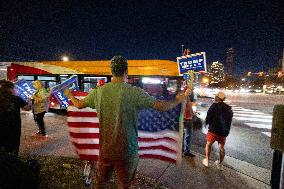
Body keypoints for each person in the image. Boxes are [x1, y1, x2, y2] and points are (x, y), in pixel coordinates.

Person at [65, 55, 191, 189]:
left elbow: (78, 105)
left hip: (106, 150)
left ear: (111, 72)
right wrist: (179, 98)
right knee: (125, 185)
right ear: (126, 72)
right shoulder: (134, 92)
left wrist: (69, 94)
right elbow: (161, 106)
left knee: (100, 183)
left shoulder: (98, 92)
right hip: (128, 152)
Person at [202, 91, 233, 168]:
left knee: (208, 145)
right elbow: (229, 120)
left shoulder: (214, 106)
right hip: (223, 132)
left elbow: (208, 117)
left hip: (213, 130)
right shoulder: (228, 108)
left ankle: (207, 161)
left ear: (217, 97)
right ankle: (220, 163)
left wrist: (205, 123)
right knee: (221, 147)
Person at [0, 80, 30, 156]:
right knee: (13, 145)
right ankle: (13, 162)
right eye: (14, 88)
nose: (15, 90)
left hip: (1, 127)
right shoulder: (16, 99)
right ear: (10, 89)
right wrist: (30, 102)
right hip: (14, 127)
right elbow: (27, 108)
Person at [183, 91, 195, 157]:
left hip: (183, 119)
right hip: (188, 119)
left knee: (183, 134)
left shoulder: (182, 98)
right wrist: (192, 114)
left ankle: (182, 149)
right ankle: (187, 151)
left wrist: (193, 113)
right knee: (188, 135)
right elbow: (188, 109)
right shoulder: (186, 99)